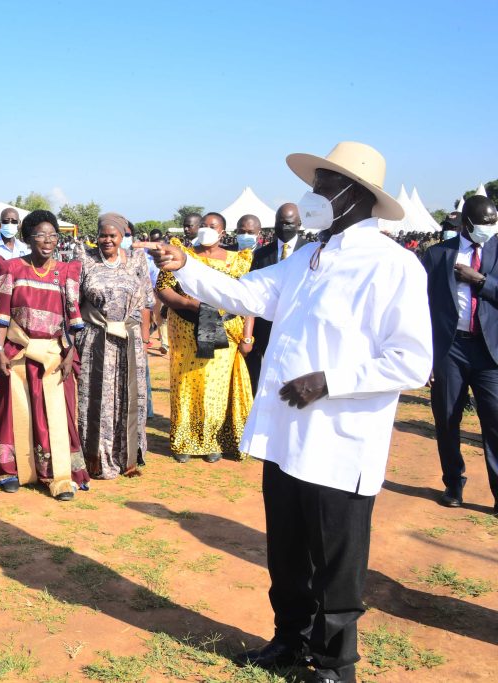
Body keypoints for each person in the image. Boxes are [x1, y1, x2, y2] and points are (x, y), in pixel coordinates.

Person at [153, 142, 431, 683]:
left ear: (356, 197)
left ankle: (333, 662)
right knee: (286, 552)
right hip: (285, 436)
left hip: (339, 439)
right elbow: (243, 296)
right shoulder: (305, 258)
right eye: (317, 185)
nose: (313, 196)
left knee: (336, 561)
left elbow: (412, 361)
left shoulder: (393, 266)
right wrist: (185, 265)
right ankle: (289, 638)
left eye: (325, 186)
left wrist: (331, 382)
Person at [0, 209, 88, 500]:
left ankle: (57, 474)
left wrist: (70, 354)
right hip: (18, 352)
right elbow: (2, 315)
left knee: (55, 414)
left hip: (55, 355)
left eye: (53, 235)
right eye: (40, 235)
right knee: (13, 411)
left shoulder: (66, 271)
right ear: (28, 238)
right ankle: (9, 470)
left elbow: (73, 317)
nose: (48, 240)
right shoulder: (11, 268)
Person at [157, 212, 254, 463]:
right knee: (186, 384)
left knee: (215, 387)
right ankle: (184, 441)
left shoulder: (237, 260)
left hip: (223, 329)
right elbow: (163, 288)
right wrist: (188, 305)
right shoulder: (181, 255)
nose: (207, 230)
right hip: (186, 328)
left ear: (222, 232)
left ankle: (212, 441)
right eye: (204, 226)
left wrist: (247, 336)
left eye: (213, 227)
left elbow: (249, 299)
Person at [423, 196, 498, 512]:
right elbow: (421, 306)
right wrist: (426, 355)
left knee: (494, 420)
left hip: (489, 350)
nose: (489, 229)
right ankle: (453, 483)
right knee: (447, 418)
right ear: (466, 223)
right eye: (484, 223)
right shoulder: (438, 254)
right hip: (450, 349)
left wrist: (479, 280)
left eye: (493, 222)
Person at [75, 212, 152, 479]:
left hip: (129, 342)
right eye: (103, 235)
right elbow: (73, 302)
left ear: (122, 236)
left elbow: (145, 304)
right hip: (95, 338)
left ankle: (127, 457)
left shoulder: (137, 261)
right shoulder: (85, 260)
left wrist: (143, 336)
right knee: (97, 399)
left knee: (128, 398)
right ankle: (95, 459)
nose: (107, 240)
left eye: (113, 235)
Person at [246, 203, 308, 391]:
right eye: (279, 223)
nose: (283, 228)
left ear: (299, 224)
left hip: (299, 325)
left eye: (289, 223)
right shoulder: (262, 254)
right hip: (265, 327)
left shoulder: (311, 251)